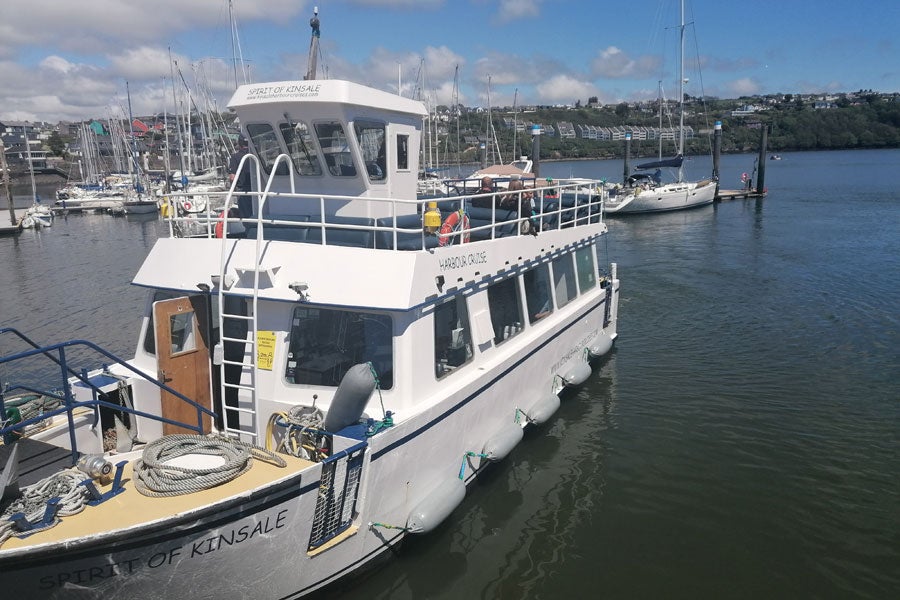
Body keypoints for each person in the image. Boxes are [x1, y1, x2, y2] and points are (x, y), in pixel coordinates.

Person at [228, 138, 253, 217]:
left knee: (246, 214)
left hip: (242, 189)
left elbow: (232, 177)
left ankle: (249, 227)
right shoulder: (255, 156)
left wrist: (232, 188)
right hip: (257, 188)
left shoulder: (235, 157)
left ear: (240, 144)